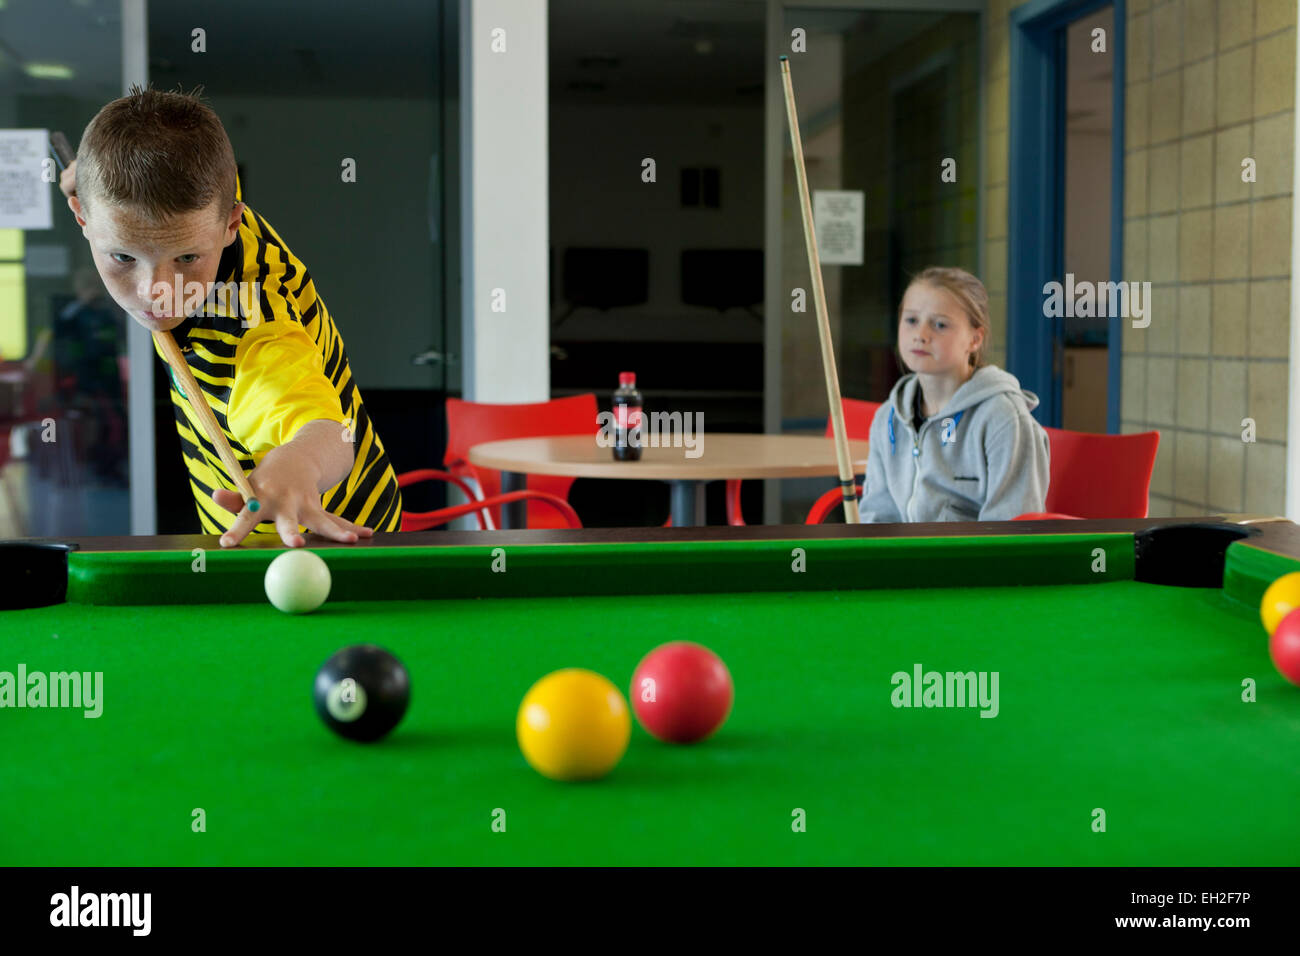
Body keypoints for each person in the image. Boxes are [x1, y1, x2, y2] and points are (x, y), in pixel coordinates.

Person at [60, 85, 402, 546]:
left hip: (323, 540)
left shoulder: (254, 326)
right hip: (235, 528)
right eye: (122, 256)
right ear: (81, 217)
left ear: (232, 223)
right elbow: (148, 175)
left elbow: (329, 432)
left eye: (186, 259)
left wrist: (298, 463)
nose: (156, 292)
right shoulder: (200, 193)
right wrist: (84, 178)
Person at [858, 266, 1049, 523]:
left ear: (974, 339)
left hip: (974, 561)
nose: (921, 335)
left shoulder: (1003, 418)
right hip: (905, 561)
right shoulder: (888, 418)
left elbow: (1012, 529)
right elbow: (877, 517)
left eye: (940, 324)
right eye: (912, 320)